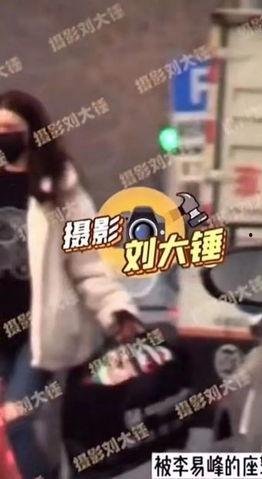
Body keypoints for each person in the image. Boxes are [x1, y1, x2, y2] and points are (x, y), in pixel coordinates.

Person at [0, 90, 142, 478]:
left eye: (10, 129)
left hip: (38, 333)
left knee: (18, 419)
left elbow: (88, 263)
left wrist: (116, 310)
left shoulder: (58, 187)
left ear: (32, 133)